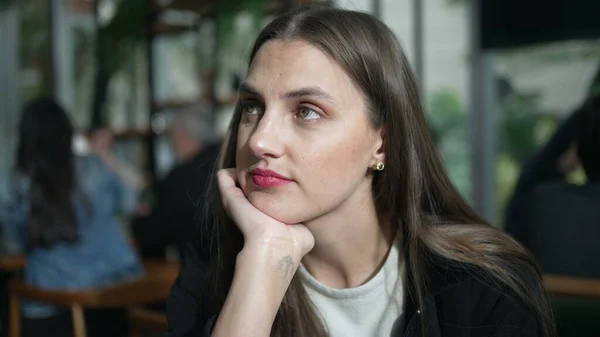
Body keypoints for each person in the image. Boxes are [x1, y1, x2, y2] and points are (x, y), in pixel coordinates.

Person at [166, 5, 556, 337]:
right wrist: (264, 263)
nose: (258, 141)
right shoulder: (217, 264)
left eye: (306, 111)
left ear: (381, 144)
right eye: (253, 106)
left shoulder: (485, 288)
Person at [0, 98, 143, 337]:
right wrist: (105, 156)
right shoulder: (94, 167)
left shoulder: (16, 183)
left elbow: (14, 245)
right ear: (67, 133)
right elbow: (132, 200)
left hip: (54, 303)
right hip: (116, 292)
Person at [132, 103, 221, 259]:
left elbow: (156, 232)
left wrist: (138, 222)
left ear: (184, 136)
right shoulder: (227, 163)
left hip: (199, 273)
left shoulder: (181, 177)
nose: (172, 143)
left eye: (173, 135)